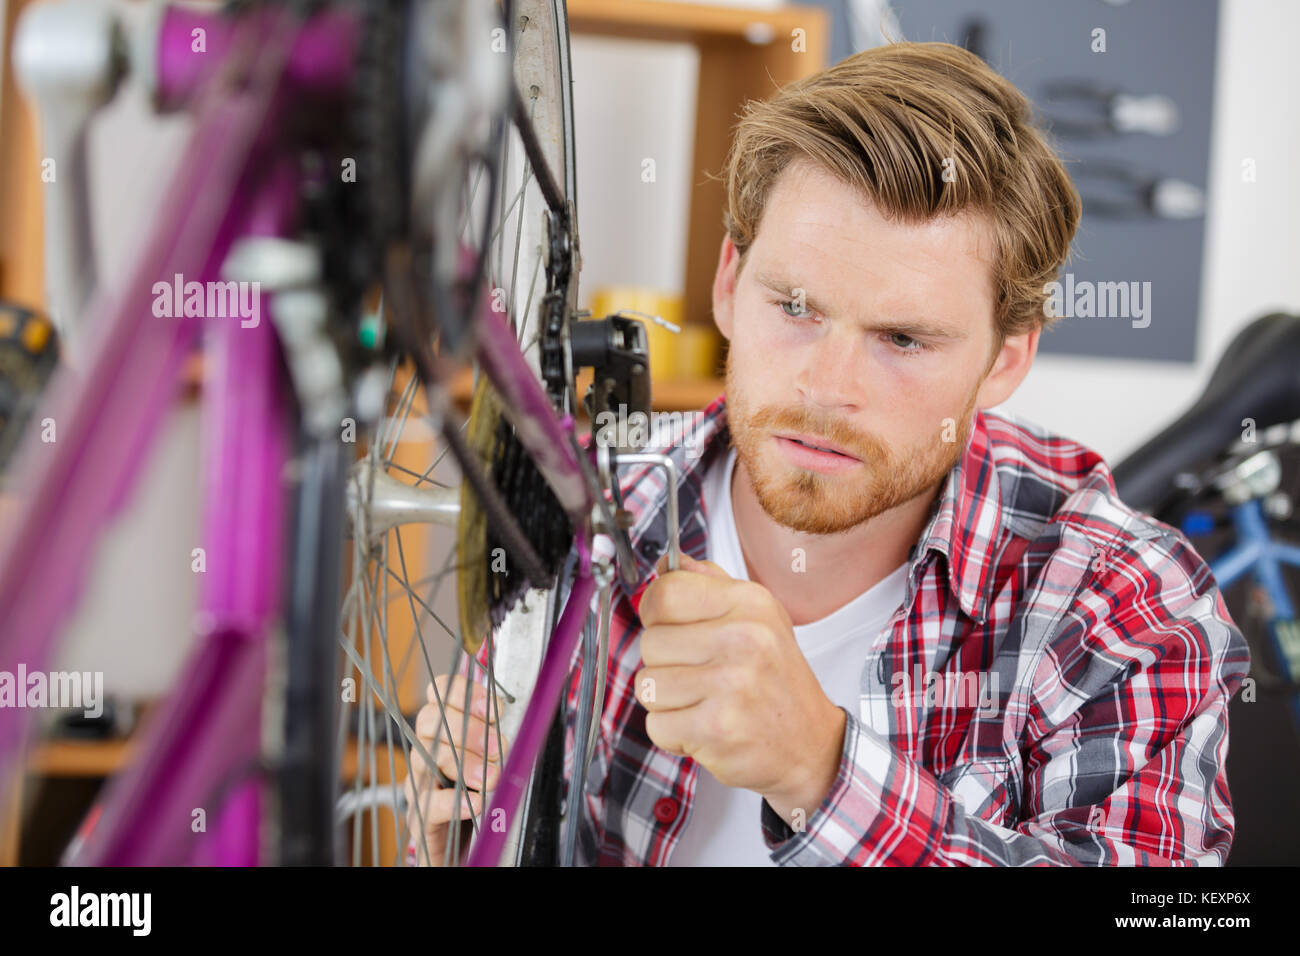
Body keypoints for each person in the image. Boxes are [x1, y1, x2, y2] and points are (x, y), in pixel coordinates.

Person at [406, 40, 1251, 866]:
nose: (826, 384)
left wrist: (820, 770)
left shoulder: (1128, 603)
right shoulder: (582, 511)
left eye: (904, 338)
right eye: (797, 308)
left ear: (1005, 359)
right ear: (731, 284)